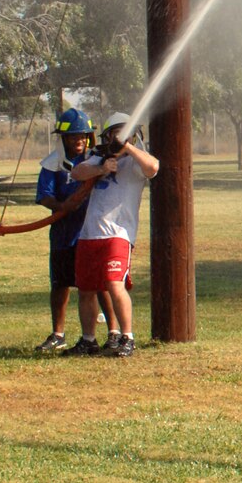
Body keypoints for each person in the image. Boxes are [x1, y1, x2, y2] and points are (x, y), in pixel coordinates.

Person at [70, 113, 161, 358]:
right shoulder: (98, 157)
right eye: (115, 132)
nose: (118, 136)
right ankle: (88, 340)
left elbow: (153, 167)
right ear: (107, 136)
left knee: (114, 284)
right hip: (90, 234)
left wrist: (128, 147)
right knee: (86, 289)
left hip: (118, 234)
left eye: (125, 131)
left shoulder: (135, 162)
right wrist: (100, 167)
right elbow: (77, 173)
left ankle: (127, 337)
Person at [33, 108, 94, 353]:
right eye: (73, 137)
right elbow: (44, 195)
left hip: (90, 233)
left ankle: (102, 335)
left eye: (83, 136)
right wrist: (61, 207)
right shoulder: (52, 164)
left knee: (94, 286)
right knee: (60, 284)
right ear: (63, 138)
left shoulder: (94, 160)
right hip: (63, 234)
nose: (79, 141)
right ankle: (58, 334)